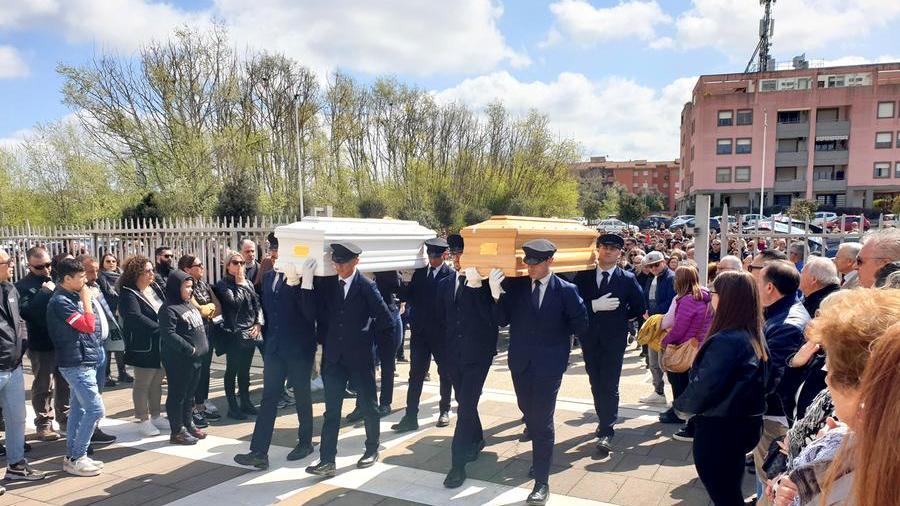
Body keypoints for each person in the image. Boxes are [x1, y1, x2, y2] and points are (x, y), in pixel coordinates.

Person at [771, 290, 900, 506]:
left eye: (830, 366)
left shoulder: (863, 479)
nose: (827, 379)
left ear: (859, 388)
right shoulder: (865, 443)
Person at [491, 239, 588, 505]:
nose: (529, 268)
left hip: (549, 365)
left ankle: (541, 481)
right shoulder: (517, 287)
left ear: (550, 262)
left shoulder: (567, 290)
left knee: (542, 421)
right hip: (521, 362)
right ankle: (540, 454)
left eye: (535, 263)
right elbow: (501, 320)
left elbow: (581, 325)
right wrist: (497, 294)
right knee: (528, 412)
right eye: (527, 262)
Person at [301, 242, 396, 478]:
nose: (338, 266)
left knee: (368, 406)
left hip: (359, 357)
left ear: (356, 262)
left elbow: (386, 320)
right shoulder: (328, 284)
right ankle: (326, 460)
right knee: (331, 411)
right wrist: (306, 283)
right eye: (335, 262)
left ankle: (372, 449)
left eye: (342, 262)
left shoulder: (366, 286)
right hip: (334, 358)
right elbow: (310, 313)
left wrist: (366, 338)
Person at [674, 271, 768, 506]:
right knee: (729, 488)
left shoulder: (726, 340)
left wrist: (680, 408)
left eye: (713, 292)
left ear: (727, 298)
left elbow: (704, 388)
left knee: (724, 494)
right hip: (743, 425)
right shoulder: (753, 333)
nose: (709, 297)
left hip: (719, 429)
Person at [233, 260, 317, 470]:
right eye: (272, 249)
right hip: (275, 349)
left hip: (299, 349)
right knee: (269, 398)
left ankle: (305, 442)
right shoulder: (269, 277)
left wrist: (301, 283)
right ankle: (259, 452)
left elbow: (310, 313)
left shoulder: (303, 277)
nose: (275, 253)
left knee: (302, 395)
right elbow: (268, 310)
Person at [572, 234, 644, 456]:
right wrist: (593, 306)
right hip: (590, 337)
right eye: (604, 247)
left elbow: (638, 306)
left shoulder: (627, 279)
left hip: (614, 339)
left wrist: (621, 317)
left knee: (610, 383)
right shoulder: (583, 277)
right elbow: (574, 305)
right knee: (595, 381)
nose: (608, 251)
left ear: (620, 253)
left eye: (613, 248)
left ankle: (607, 429)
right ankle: (603, 419)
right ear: (598, 250)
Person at [438, 235, 500, 489]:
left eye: (462, 252)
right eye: (454, 252)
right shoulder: (444, 283)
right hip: (453, 355)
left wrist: (485, 291)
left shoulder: (484, 283)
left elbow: (495, 319)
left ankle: (457, 464)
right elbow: (442, 321)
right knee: (464, 401)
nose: (457, 257)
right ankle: (476, 439)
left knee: (465, 407)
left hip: (478, 354)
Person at [753, 260, 810, 505]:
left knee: (770, 486)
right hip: (771, 415)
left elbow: (771, 380)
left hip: (775, 420)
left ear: (769, 288)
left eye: (758, 281)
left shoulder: (787, 324)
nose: (755, 286)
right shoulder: (779, 314)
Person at [46, 258, 106, 477]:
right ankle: (77, 455)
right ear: (67, 279)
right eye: (80, 277)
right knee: (95, 410)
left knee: (79, 410)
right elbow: (88, 325)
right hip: (75, 363)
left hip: (84, 360)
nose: (85, 280)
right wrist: (86, 299)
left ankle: (73, 456)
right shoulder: (61, 301)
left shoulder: (70, 297)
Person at [393, 238, 455, 432]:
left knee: (445, 373)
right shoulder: (420, 274)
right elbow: (407, 294)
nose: (432, 259)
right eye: (429, 255)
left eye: (436, 256)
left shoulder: (450, 275)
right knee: (416, 374)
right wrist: (399, 276)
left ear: (444, 255)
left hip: (441, 333)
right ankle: (411, 416)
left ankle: (444, 410)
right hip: (420, 334)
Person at [0, 249, 46, 483]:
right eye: (7, 262)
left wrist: (22, 343)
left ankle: (16, 465)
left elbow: (19, 320)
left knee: (17, 418)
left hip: (14, 365)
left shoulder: (10, 289)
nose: (11, 265)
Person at [16, 246, 69, 442]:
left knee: (65, 382)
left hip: (61, 339)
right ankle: (44, 422)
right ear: (30, 265)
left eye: (49, 264)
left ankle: (65, 417)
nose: (46, 270)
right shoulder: (23, 286)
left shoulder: (56, 279)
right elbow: (27, 313)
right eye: (40, 267)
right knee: (43, 384)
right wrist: (44, 293)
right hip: (40, 342)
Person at [660, 264, 714, 443]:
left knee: (679, 385)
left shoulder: (687, 300)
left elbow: (679, 328)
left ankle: (683, 417)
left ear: (681, 281)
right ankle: (688, 419)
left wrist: (665, 341)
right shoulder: (707, 296)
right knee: (692, 386)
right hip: (701, 348)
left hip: (684, 349)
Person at [118, 255, 168, 437]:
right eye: (147, 271)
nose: (151, 274)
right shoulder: (128, 293)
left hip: (160, 343)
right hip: (143, 345)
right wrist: (162, 329)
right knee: (143, 383)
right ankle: (143, 419)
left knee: (157, 381)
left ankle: (156, 416)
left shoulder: (153, 288)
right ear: (136, 273)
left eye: (151, 270)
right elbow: (134, 317)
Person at [159, 270, 209, 445]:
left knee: (190, 395)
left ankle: (188, 424)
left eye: (191, 287)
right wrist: (190, 349)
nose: (190, 290)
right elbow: (168, 334)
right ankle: (177, 430)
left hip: (195, 359)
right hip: (179, 359)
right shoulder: (168, 309)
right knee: (177, 395)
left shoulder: (187, 304)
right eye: (186, 287)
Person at [348, 269, 403, 421]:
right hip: (365, 318)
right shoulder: (356, 273)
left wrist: (377, 273)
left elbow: (397, 284)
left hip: (387, 317)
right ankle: (362, 405)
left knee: (387, 363)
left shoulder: (386, 268)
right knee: (364, 364)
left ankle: (385, 403)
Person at [214, 251, 263, 420]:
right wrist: (240, 283)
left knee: (245, 370)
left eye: (242, 263)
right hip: (234, 333)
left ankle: (246, 402)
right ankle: (232, 406)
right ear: (228, 265)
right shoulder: (223, 285)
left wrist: (258, 323)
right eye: (235, 262)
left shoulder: (247, 282)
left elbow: (257, 303)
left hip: (250, 331)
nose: (240, 265)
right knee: (232, 370)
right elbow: (234, 302)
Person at [176, 255, 221, 426]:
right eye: (198, 265)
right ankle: (192, 406)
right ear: (187, 269)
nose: (202, 267)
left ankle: (202, 401)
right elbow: (199, 310)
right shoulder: (185, 286)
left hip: (208, 331)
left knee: (205, 369)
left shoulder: (204, 285)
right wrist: (206, 309)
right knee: (193, 370)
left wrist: (208, 309)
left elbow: (216, 307)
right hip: (193, 333)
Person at [78, 255, 118, 446]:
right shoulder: (76, 293)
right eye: (90, 270)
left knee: (98, 391)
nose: (95, 274)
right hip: (87, 348)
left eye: (96, 270)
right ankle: (82, 436)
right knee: (87, 395)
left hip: (101, 346)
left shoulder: (96, 287)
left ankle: (94, 428)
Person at [640, 251, 677, 421]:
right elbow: (647, 296)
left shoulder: (671, 278)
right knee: (653, 359)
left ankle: (673, 396)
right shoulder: (651, 278)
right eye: (650, 266)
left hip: (664, 323)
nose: (653, 268)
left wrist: (651, 312)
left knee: (665, 362)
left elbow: (671, 301)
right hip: (653, 322)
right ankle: (658, 391)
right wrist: (646, 311)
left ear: (664, 262)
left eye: (656, 264)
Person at [98, 252, 130, 386]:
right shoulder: (100, 278)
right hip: (107, 314)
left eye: (113, 261)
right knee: (109, 346)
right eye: (108, 261)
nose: (111, 264)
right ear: (103, 264)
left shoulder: (122, 277)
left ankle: (122, 372)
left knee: (120, 345)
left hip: (120, 314)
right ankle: (106, 375)